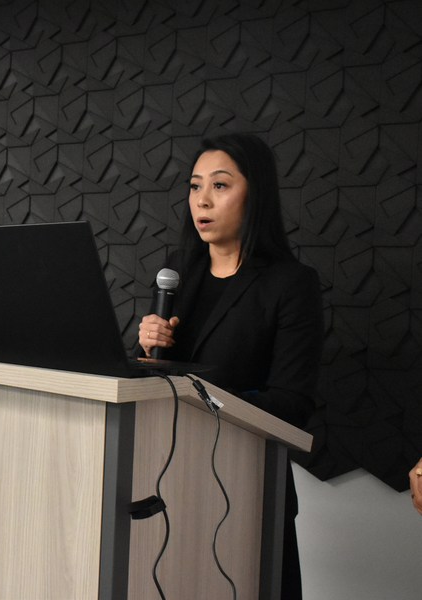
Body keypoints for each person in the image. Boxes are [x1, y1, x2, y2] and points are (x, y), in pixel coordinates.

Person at [137, 132, 324, 599]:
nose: (202, 200)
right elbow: (150, 376)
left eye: (219, 185)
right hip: (165, 478)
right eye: (195, 186)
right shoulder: (177, 271)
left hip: (247, 487)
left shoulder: (291, 284)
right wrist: (144, 344)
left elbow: (293, 404)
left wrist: (203, 395)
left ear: (255, 194)